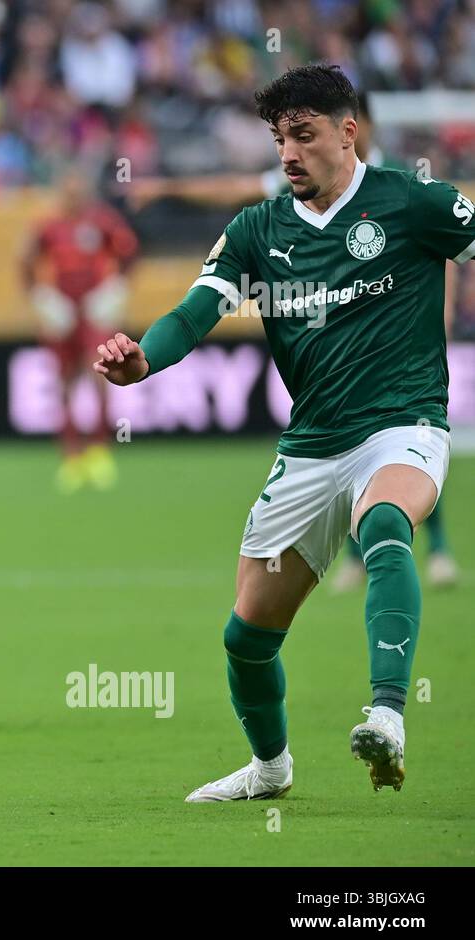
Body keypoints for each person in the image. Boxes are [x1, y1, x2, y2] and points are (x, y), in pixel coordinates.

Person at [93, 65, 474, 799]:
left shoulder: (413, 203)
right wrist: (144, 358)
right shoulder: (258, 230)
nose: (289, 152)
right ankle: (270, 768)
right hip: (311, 447)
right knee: (246, 637)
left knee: (386, 521)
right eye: (279, 139)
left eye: (303, 135)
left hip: (403, 424)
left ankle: (388, 716)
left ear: (347, 132)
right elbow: (194, 312)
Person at [22, 168, 138, 491]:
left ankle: (99, 451)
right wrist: (41, 297)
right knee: (63, 380)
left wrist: (115, 289)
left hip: (93, 309)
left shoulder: (103, 221)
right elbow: (26, 261)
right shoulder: (49, 226)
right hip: (63, 309)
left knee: (99, 374)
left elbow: (129, 253)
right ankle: (71, 455)